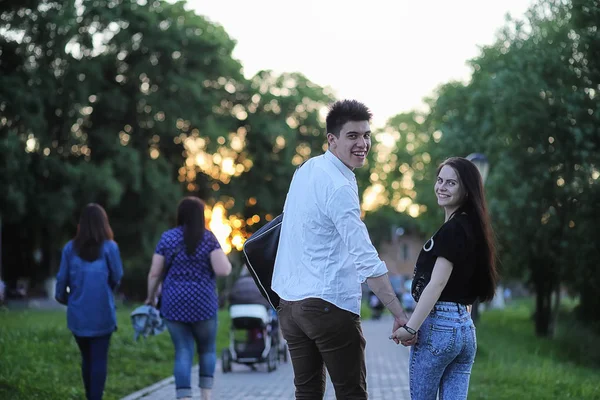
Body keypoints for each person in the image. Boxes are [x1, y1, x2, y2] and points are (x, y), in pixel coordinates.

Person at [272, 99, 411, 399]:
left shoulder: (306, 170)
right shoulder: (338, 185)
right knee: (351, 393)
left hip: (290, 306)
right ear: (332, 140)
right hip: (327, 304)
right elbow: (365, 257)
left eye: (366, 135)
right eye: (353, 136)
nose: (363, 143)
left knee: (306, 393)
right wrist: (399, 313)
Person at [391, 157, 498, 400]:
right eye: (440, 180)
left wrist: (410, 327)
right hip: (465, 330)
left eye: (451, 183)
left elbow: (437, 284)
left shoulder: (452, 230)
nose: (441, 187)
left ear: (466, 190)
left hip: (440, 326)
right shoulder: (474, 227)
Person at [145, 197, 232, 400]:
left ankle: (184, 397)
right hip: (204, 304)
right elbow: (223, 270)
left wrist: (150, 298)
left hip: (174, 304)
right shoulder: (208, 238)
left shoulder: (168, 238)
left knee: (183, 351)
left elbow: (154, 274)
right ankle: (206, 396)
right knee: (207, 350)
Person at [55, 203, 124, 400]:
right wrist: (107, 290)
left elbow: (61, 280)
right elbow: (117, 275)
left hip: (78, 314)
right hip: (103, 312)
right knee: (99, 359)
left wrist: (64, 298)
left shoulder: (70, 248)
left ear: (81, 224)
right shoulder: (110, 247)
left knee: (87, 358)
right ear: (104, 223)